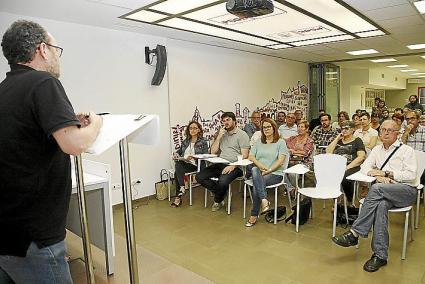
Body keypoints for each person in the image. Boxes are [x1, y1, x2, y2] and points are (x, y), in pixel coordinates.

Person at [0, 20, 103, 283]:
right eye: (56, 48)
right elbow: (75, 144)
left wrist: (66, 122)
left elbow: (26, 137)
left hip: (8, 228)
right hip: (34, 236)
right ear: (43, 49)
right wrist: (97, 124)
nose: (57, 55)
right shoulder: (43, 82)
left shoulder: (6, 89)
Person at [332, 120, 418, 273]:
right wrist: (378, 177)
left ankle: (355, 233)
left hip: (406, 191)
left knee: (377, 189)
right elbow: (365, 167)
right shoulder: (377, 150)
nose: (384, 132)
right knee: (380, 205)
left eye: (389, 130)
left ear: (397, 133)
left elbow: (411, 175)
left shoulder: (406, 150)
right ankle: (380, 256)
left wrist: (386, 173)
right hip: (384, 190)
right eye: (383, 129)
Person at [196, 112, 250, 212]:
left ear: (234, 121)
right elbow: (213, 151)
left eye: (228, 120)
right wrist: (219, 137)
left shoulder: (242, 135)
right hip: (220, 163)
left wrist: (233, 165)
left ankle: (217, 200)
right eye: (224, 121)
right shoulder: (222, 134)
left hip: (236, 166)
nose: (226, 123)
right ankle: (221, 192)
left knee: (223, 180)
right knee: (199, 177)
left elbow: (245, 155)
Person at [245, 118, 288, 227]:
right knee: (255, 170)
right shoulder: (259, 142)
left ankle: (254, 214)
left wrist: (269, 170)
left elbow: (280, 161)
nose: (266, 129)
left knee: (256, 184)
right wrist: (261, 167)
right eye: (264, 127)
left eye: (269, 127)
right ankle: (264, 200)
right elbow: (251, 156)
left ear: (274, 128)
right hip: (259, 172)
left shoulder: (281, 142)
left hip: (275, 173)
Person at [170, 121, 209, 208]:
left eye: (195, 128)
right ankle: (182, 187)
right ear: (188, 130)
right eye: (191, 128)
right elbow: (179, 152)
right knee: (179, 163)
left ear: (199, 130)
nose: (193, 130)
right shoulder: (186, 141)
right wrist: (175, 155)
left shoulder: (203, 141)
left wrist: (194, 157)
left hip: (196, 165)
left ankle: (178, 196)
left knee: (177, 172)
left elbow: (206, 155)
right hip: (186, 164)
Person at [326, 121, 366, 203]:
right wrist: (337, 138)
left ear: (352, 130)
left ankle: (349, 200)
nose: (343, 130)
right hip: (337, 166)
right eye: (342, 128)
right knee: (327, 175)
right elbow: (328, 152)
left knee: (344, 177)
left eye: (346, 128)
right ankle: (336, 199)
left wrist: (347, 167)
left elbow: (361, 157)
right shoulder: (339, 141)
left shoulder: (357, 141)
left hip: (352, 166)